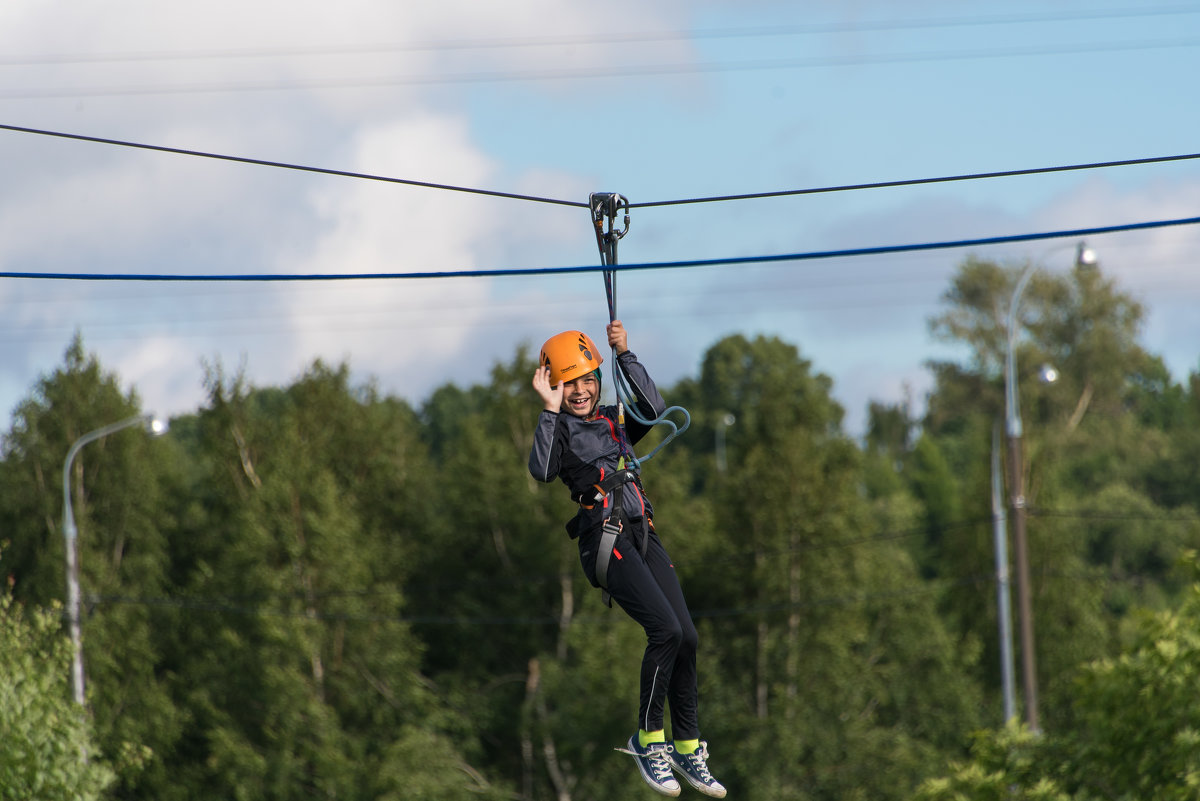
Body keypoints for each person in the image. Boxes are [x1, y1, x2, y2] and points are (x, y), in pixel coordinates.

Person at [528, 320, 726, 799]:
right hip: (605, 536)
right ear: (556, 386)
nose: (580, 390)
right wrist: (549, 410)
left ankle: (686, 745)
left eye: (586, 380)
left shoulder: (614, 419)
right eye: (568, 383)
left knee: (688, 637)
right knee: (666, 631)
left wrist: (625, 353)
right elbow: (542, 469)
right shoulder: (563, 432)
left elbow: (654, 409)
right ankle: (648, 740)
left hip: (642, 530)